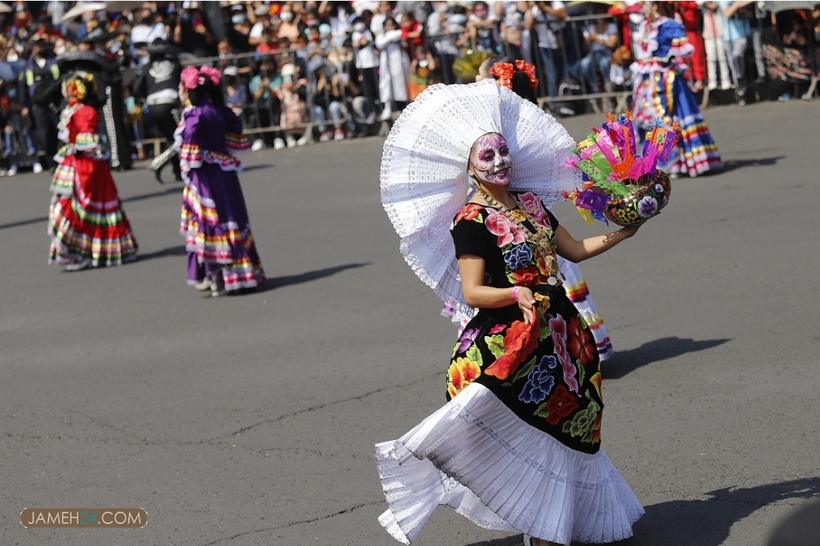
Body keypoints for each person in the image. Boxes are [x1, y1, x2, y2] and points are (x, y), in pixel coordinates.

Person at [377, 80, 644, 546]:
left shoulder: (532, 204)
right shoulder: (470, 221)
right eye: (487, 156)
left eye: (502, 151)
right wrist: (513, 295)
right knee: (525, 426)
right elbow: (474, 291)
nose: (499, 161)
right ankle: (541, 528)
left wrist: (624, 232)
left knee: (570, 423)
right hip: (511, 336)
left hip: (562, 333)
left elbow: (574, 251)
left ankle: (558, 521)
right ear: (468, 167)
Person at [471, 55, 614, 359]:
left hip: (521, 221)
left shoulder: (503, 138)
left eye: (481, 78)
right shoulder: (518, 130)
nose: (474, 82)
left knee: (536, 277)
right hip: (530, 219)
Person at [176, 65, 265, 296]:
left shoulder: (196, 114)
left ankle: (217, 275)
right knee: (231, 218)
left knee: (209, 220)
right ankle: (239, 274)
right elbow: (234, 133)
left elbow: (189, 144)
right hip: (225, 171)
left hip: (205, 174)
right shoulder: (221, 111)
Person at [48, 72, 138, 271]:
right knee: (67, 204)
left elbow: (88, 139)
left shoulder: (85, 111)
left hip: (86, 165)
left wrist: (78, 146)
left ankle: (87, 252)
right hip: (75, 162)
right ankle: (76, 250)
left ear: (74, 90)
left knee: (84, 206)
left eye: (66, 86)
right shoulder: (72, 109)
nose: (62, 89)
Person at [632, 1, 722, 178]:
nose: (641, 8)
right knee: (648, 118)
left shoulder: (667, 25)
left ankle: (674, 160)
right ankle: (657, 161)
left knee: (664, 118)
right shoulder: (645, 25)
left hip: (666, 80)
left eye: (644, 4)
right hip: (647, 80)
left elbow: (683, 48)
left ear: (655, 6)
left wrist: (667, 59)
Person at [133, 38, 183, 184]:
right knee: (182, 137)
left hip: (153, 106)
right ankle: (158, 163)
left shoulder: (146, 67)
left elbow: (137, 88)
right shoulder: (174, 64)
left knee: (171, 138)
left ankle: (178, 171)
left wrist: (144, 98)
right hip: (169, 104)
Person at [375, 16, 409, 121]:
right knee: (386, 83)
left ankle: (405, 106)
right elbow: (380, 43)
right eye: (387, 25)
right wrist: (390, 36)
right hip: (387, 62)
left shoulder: (397, 33)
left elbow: (401, 37)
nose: (390, 27)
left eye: (392, 24)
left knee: (402, 83)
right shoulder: (382, 36)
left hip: (399, 61)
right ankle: (388, 107)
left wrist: (389, 36)